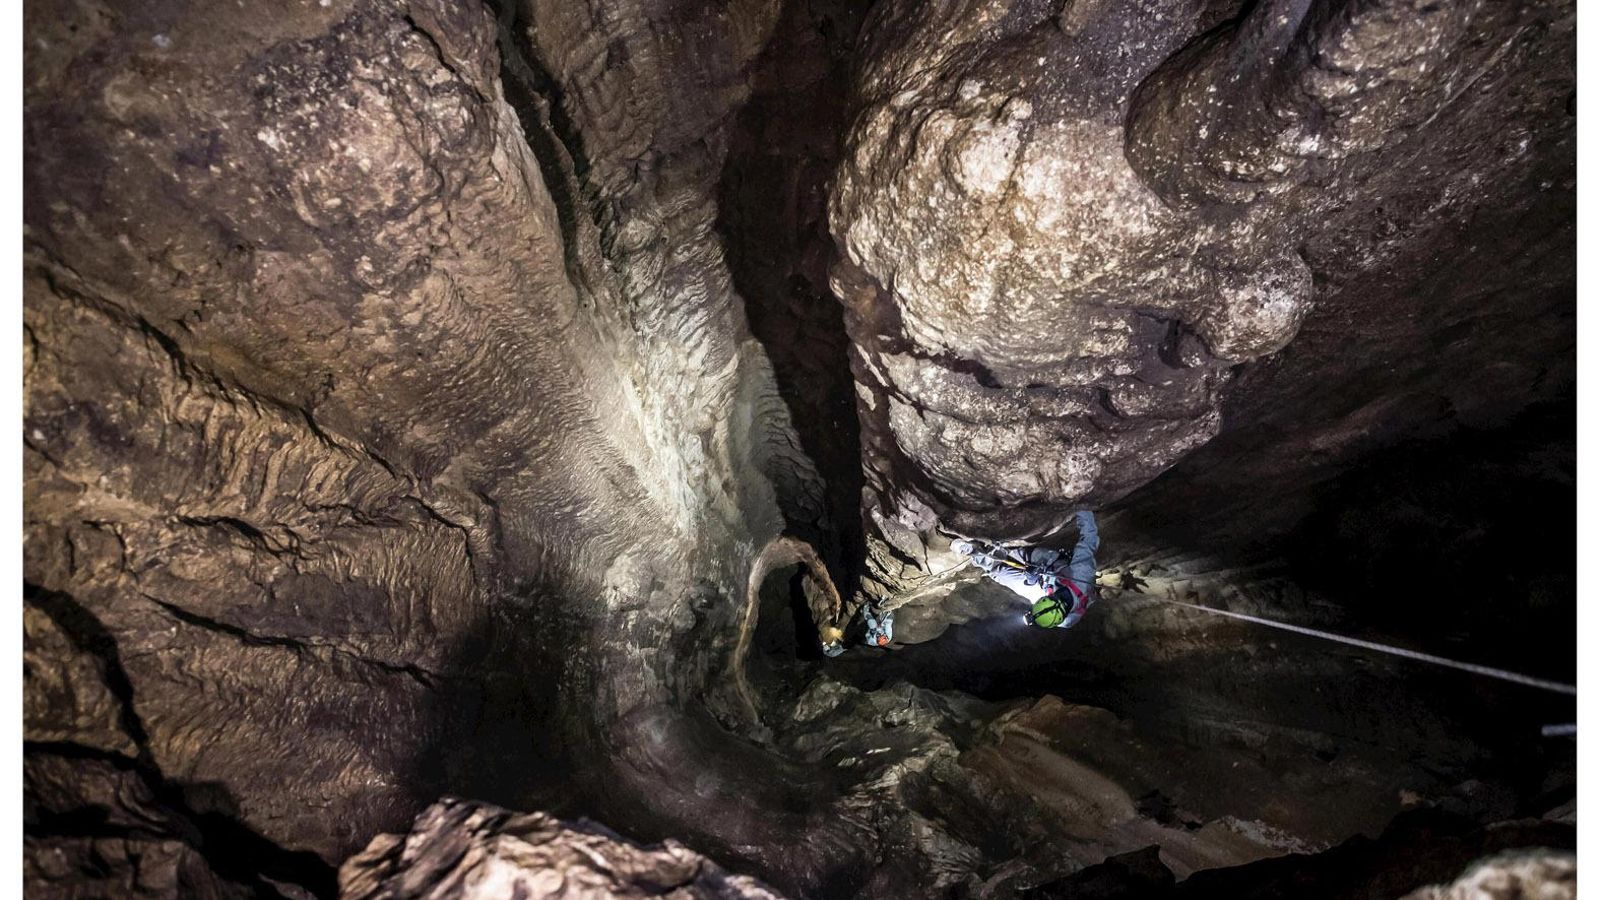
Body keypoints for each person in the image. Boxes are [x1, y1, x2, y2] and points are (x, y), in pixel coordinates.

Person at [951, 509, 1100, 629]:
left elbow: (1043, 603)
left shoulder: (1061, 619)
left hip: (1042, 586)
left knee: (999, 574)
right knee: (1014, 554)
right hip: (1052, 565)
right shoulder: (1081, 574)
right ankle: (1007, 549)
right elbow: (1089, 538)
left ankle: (973, 551)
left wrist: (1031, 580)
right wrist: (1082, 506)